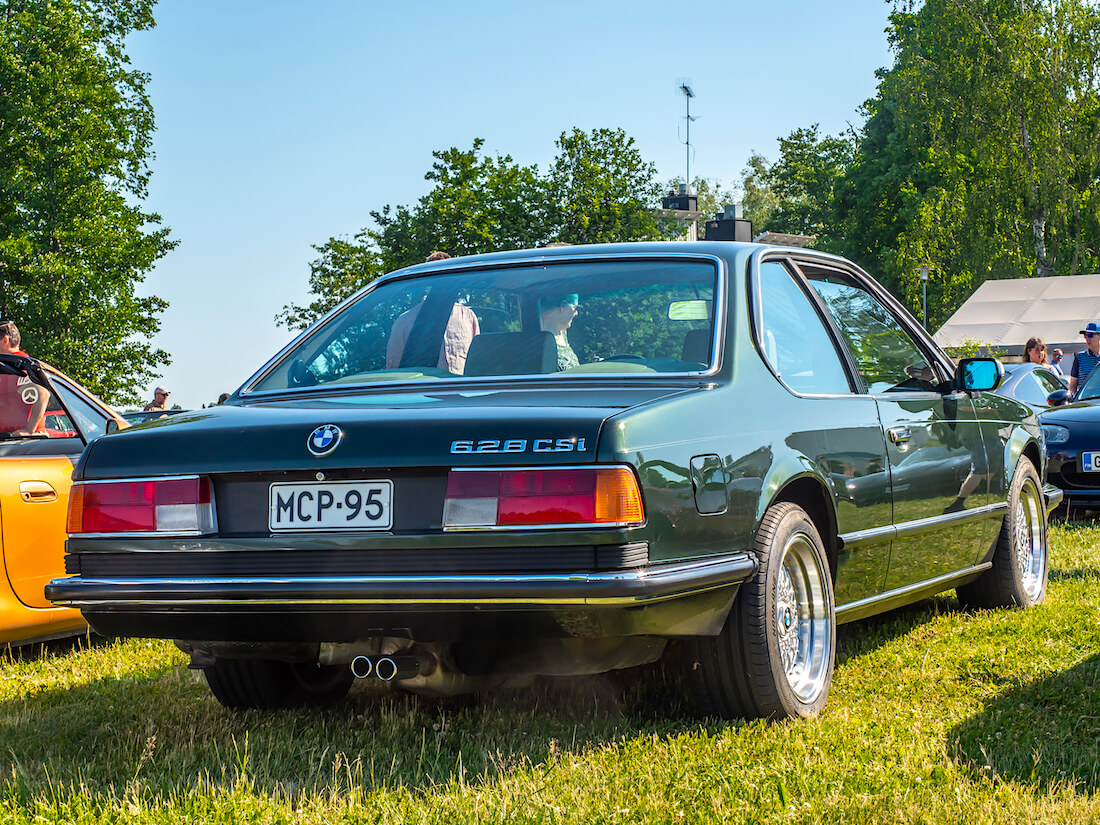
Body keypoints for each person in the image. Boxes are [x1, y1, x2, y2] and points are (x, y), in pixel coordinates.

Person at [0, 319, 49, 435]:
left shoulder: (19, 365)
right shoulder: (8, 365)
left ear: (5, 341)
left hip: (24, 442)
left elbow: (42, 394)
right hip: (12, 439)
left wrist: (29, 430)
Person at [540, 294, 580, 371]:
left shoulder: (563, 333)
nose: (576, 313)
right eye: (575, 308)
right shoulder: (537, 341)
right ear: (563, 306)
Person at [1069, 322, 1100, 396]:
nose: (1087, 338)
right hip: (1086, 403)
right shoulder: (1079, 357)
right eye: (1085, 335)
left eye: (1090, 335)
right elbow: (1073, 385)